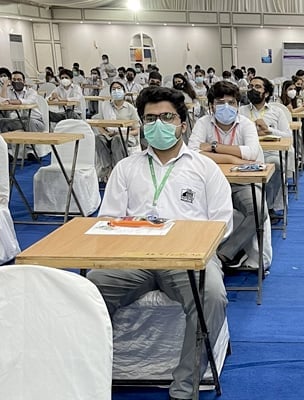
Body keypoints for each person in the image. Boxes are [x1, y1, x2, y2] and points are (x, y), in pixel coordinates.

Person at [87, 86, 233, 400]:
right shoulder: (127, 168)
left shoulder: (204, 168)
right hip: (133, 258)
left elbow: (223, 223)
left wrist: (189, 242)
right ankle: (88, 373)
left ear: (183, 123)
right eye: (150, 118)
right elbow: (107, 219)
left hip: (188, 259)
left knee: (212, 295)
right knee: (88, 288)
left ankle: (185, 385)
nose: (158, 124)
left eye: (166, 117)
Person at [188, 81, 265, 269]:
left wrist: (214, 148)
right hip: (208, 185)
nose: (226, 107)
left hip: (240, 183)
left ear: (238, 105)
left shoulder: (245, 124)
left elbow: (251, 153)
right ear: (211, 105)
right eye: (220, 102)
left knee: (258, 210)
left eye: (231, 102)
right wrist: (232, 159)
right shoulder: (203, 123)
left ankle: (224, 254)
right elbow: (192, 152)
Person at [240, 76, 292, 212]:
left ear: (267, 93)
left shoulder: (277, 112)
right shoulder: (241, 112)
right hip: (246, 155)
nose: (253, 89)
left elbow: (288, 136)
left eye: (257, 87)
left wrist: (269, 130)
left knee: (277, 164)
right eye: (250, 86)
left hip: (270, 153)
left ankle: (267, 207)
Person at [92, 81, 140, 181]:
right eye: (113, 89)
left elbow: (136, 130)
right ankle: (107, 167)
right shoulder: (106, 107)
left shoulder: (130, 108)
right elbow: (99, 125)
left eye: (119, 88)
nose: (116, 91)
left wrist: (121, 133)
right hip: (109, 135)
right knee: (98, 138)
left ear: (124, 91)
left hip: (127, 136)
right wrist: (105, 133)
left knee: (117, 139)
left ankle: (118, 168)